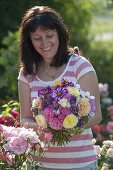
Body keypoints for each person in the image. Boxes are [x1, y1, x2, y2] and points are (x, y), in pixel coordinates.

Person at [18, 6, 102, 170]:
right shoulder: (27, 73)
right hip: (38, 164)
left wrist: (68, 125)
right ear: (29, 41)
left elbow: (96, 115)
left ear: (60, 34)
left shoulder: (80, 66)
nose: (45, 43)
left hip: (80, 164)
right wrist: (48, 126)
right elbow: (25, 119)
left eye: (49, 35)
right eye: (37, 38)